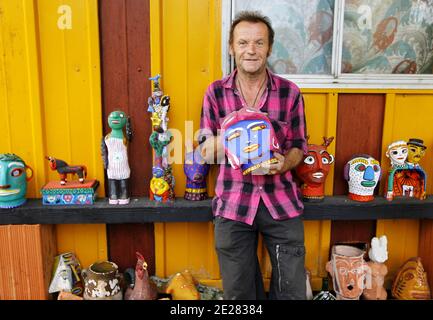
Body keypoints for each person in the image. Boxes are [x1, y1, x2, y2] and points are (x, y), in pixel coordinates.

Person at [199, 10, 308, 300]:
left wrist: (285, 162)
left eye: (259, 43)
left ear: (269, 48)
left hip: (281, 202)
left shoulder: (290, 93)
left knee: (292, 293)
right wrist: (238, 133)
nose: (251, 50)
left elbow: (299, 146)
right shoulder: (215, 94)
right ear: (232, 47)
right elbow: (204, 151)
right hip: (233, 203)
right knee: (239, 295)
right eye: (243, 42)